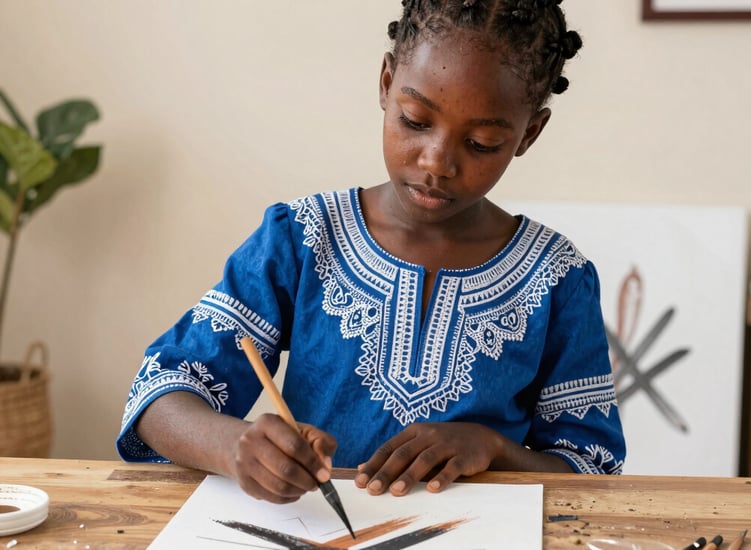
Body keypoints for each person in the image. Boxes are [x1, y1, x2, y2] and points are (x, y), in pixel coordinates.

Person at [117, 0, 626, 505]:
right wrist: (235, 447)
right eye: (415, 120)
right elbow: (161, 396)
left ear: (528, 133)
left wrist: (491, 447)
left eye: (481, 143)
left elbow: (591, 467)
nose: (436, 162)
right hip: (311, 532)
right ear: (386, 84)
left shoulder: (556, 276)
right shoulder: (303, 239)